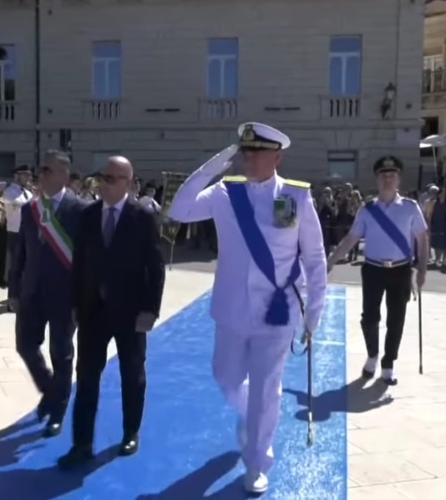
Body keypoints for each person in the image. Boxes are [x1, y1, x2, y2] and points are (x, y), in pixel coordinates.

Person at [165, 122, 327, 494]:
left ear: (277, 156)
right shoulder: (224, 193)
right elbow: (180, 209)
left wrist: (313, 312)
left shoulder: (296, 197)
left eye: (257, 152)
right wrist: (212, 166)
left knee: (267, 391)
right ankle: (248, 411)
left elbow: (315, 257)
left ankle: (257, 460)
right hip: (232, 309)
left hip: (278, 309)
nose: (249, 158)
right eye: (245, 152)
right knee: (225, 377)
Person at [58, 155, 165, 468]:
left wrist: (150, 310)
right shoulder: (88, 215)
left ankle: (130, 432)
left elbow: (155, 268)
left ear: (128, 183)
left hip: (130, 313)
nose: (103, 183)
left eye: (111, 178)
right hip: (93, 312)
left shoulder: (142, 216)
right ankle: (81, 443)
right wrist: (77, 304)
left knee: (131, 375)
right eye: (102, 177)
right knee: (87, 377)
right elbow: (79, 265)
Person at [327, 156, 427, 385]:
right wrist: (330, 260)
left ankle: (388, 364)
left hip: (400, 270)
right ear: (377, 179)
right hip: (373, 269)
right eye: (383, 175)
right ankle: (372, 355)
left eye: (392, 175)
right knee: (369, 318)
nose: (388, 179)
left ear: (399, 179)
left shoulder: (410, 208)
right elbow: (351, 239)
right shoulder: (367, 210)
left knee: (396, 320)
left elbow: (422, 238)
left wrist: (421, 269)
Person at [10, 150, 85, 438]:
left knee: (61, 352)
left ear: (63, 174)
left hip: (65, 295)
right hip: (31, 291)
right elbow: (21, 251)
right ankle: (52, 391)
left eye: (46, 169)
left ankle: (58, 409)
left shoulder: (79, 210)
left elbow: (86, 259)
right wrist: (14, 288)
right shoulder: (30, 209)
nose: (39, 174)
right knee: (25, 345)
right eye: (40, 169)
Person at [3, 164, 34, 308]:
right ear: (17, 176)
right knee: (15, 267)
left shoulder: (27, 192)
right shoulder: (9, 192)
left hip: (27, 231)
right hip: (15, 232)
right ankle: (12, 298)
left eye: (29, 175)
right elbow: (12, 206)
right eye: (25, 175)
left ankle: (23, 296)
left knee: (27, 267)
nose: (28, 178)